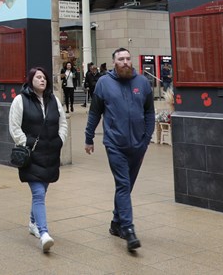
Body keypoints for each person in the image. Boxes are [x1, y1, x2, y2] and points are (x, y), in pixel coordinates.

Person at [84, 48, 155, 253]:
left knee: (127, 186)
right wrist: (89, 138)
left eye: (127, 58)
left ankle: (116, 223)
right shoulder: (103, 84)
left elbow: (149, 111)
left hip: (138, 146)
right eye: (120, 59)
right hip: (115, 145)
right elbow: (95, 113)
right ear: (113, 62)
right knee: (123, 184)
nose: (125, 62)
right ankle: (128, 229)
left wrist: (146, 138)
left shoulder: (142, 83)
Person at [9, 67, 67, 253]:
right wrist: (28, 143)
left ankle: (33, 223)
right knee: (39, 194)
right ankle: (44, 233)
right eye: (38, 77)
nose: (42, 80)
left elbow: (63, 122)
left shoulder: (53, 100)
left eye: (44, 77)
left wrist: (60, 140)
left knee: (43, 190)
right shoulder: (20, 100)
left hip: (51, 153)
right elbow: (14, 127)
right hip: (32, 154)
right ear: (30, 80)